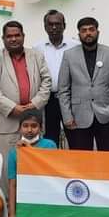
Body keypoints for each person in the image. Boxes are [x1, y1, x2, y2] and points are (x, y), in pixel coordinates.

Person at [0, 20, 52, 158]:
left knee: (34, 166)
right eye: (9, 36)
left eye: (17, 35)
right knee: (7, 166)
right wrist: (12, 107)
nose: (13, 39)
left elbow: (47, 81)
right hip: (6, 124)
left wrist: (34, 104)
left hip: (33, 122)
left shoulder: (36, 56)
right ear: (3, 39)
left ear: (23, 36)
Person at [57, 16, 109, 151]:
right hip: (78, 116)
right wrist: (67, 116)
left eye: (91, 29)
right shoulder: (69, 55)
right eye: (84, 30)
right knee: (82, 160)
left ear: (97, 32)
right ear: (79, 34)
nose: (88, 33)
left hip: (105, 114)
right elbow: (63, 89)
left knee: (107, 156)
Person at [6, 111, 56, 217]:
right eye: (25, 126)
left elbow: (53, 174)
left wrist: (29, 152)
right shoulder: (14, 152)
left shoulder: (50, 145)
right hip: (24, 207)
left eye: (34, 126)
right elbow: (12, 184)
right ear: (20, 128)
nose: (29, 130)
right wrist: (12, 214)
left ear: (41, 128)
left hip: (43, 206)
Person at [37, 9, 78, 147]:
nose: (54, 27)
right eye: (50, 24)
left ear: (64, 26)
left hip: (71, 99)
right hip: (48, 101)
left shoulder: (75, 46)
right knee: (50, 139)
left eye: (58, 24)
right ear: (45, 27)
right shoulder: (37, 48)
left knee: (75, 138)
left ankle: (75, 168)